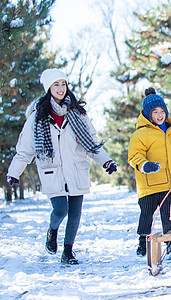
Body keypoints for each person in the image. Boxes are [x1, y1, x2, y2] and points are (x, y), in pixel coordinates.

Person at [6, 68, 117, 265]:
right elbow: (25, 151)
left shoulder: (78, 114)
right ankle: (52, 230)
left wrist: (106, 161)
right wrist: (14, 173)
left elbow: (91, 143)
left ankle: (68, 252)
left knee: (75, 213)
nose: (60, 88)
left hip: (76, 170)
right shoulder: (37, 118)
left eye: (63, 84)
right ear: (48, 88)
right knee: (60, 210)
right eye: (56, 84)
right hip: (53, 172)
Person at [128, 88, 171, 259]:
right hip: (149, 185)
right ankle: (143, 240)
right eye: (155, 112)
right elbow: (134, 156)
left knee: (169, 214)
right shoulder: (140, 134)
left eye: (162, 111)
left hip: (168, 184)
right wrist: (144, 165)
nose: (159, 115)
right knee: (146, 214)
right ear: (147, 114)